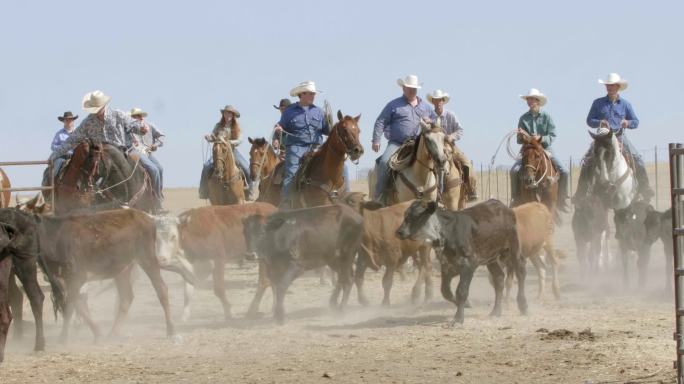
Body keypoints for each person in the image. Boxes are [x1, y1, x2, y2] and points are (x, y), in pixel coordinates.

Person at [574, 73, 653, 202]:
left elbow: (636, 121)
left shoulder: (626, 104)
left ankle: (645, 189)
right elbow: (589, 120)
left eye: (612, 85)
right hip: (601, 137)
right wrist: (599, 122)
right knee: (587, 161)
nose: (609, 88)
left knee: (637, 159)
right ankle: (580, 193)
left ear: (618, 87)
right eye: (607, 85)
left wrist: (628, 123)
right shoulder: (597, 103)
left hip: (619, 137)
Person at [372, 74, 436, 204]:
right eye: (410, 88)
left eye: (415, 88)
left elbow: (435, 119)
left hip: (419, 143)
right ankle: (380, 196)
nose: (413, 90)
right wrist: (376, 140)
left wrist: (431, 121)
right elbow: (380, 121)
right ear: (403, 88)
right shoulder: (393, 105)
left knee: (439, 160)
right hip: (397, 143)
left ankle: (439, 193)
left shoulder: (425, 106)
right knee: (385, 162)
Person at [509, 89, 569, 210]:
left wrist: (541, 137)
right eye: (528, 99)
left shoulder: (547, 117)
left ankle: (562, 199)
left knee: (565, 171)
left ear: (538, 101)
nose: (529, 101)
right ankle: (515, 198)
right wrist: (523, 136)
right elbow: (519, 140)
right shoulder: (523, 118)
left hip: (545, 148)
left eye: (532, 99)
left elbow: (552, 135)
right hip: (528, 149)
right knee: (514, 171)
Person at [274, 81, 331, 200]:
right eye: (311, 94)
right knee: (291, 173)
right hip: (296, 147)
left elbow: (327, 131)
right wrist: (278, 132)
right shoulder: (289, 111)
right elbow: (280, 126)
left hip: (317, 147)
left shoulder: (319, 111)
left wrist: (333, 127)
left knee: (338, 166)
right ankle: (286, 204)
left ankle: (342, 197)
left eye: (314, 94)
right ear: (302, 94)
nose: (313, 96)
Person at [427, 89, 478, 201]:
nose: (438, 102)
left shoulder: (450, 115)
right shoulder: (429, 116)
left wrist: (452, 136)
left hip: (451, 146)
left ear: (443, 101)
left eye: (440, 100)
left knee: (467, 164)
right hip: (435, 148)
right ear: (433, 102)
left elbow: (460, 130)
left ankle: (470, 190)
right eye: (435, 100)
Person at [199, 105, 254, 200]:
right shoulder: (218, 126)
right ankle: (203, 191)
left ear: (233, 115)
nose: (227, 115)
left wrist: (228, 142)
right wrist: (209, 138)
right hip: (219, 151)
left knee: (246, 168)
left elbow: (240, 140)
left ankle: (249, 193)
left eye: (230, 113)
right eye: (226, 113)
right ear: (223, 114)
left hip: (232, 151)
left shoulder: (237, 127)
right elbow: (213, 136)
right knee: (207, 167)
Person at [128, 107, 165, 201]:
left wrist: (156, 144)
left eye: (139, 115)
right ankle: (157, 199)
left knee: (160, 168)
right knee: (153, 169)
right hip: (135, 153)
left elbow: (161, 136)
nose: (138, 117)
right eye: (135, 116)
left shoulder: (150, 126)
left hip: (147, 153)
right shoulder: (129, 127)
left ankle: (158, 193)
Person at [48, 111, 78, 179]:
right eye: (66, 120)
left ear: (73, 121)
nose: (68, 121)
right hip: (62, 157)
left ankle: (90, 185)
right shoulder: (59, 134)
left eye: (70, 119)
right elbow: (53, 146)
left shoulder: (78, 132)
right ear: (63, 121)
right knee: (56, 166)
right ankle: (51, 183)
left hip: (76, 156)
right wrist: (62, 149)